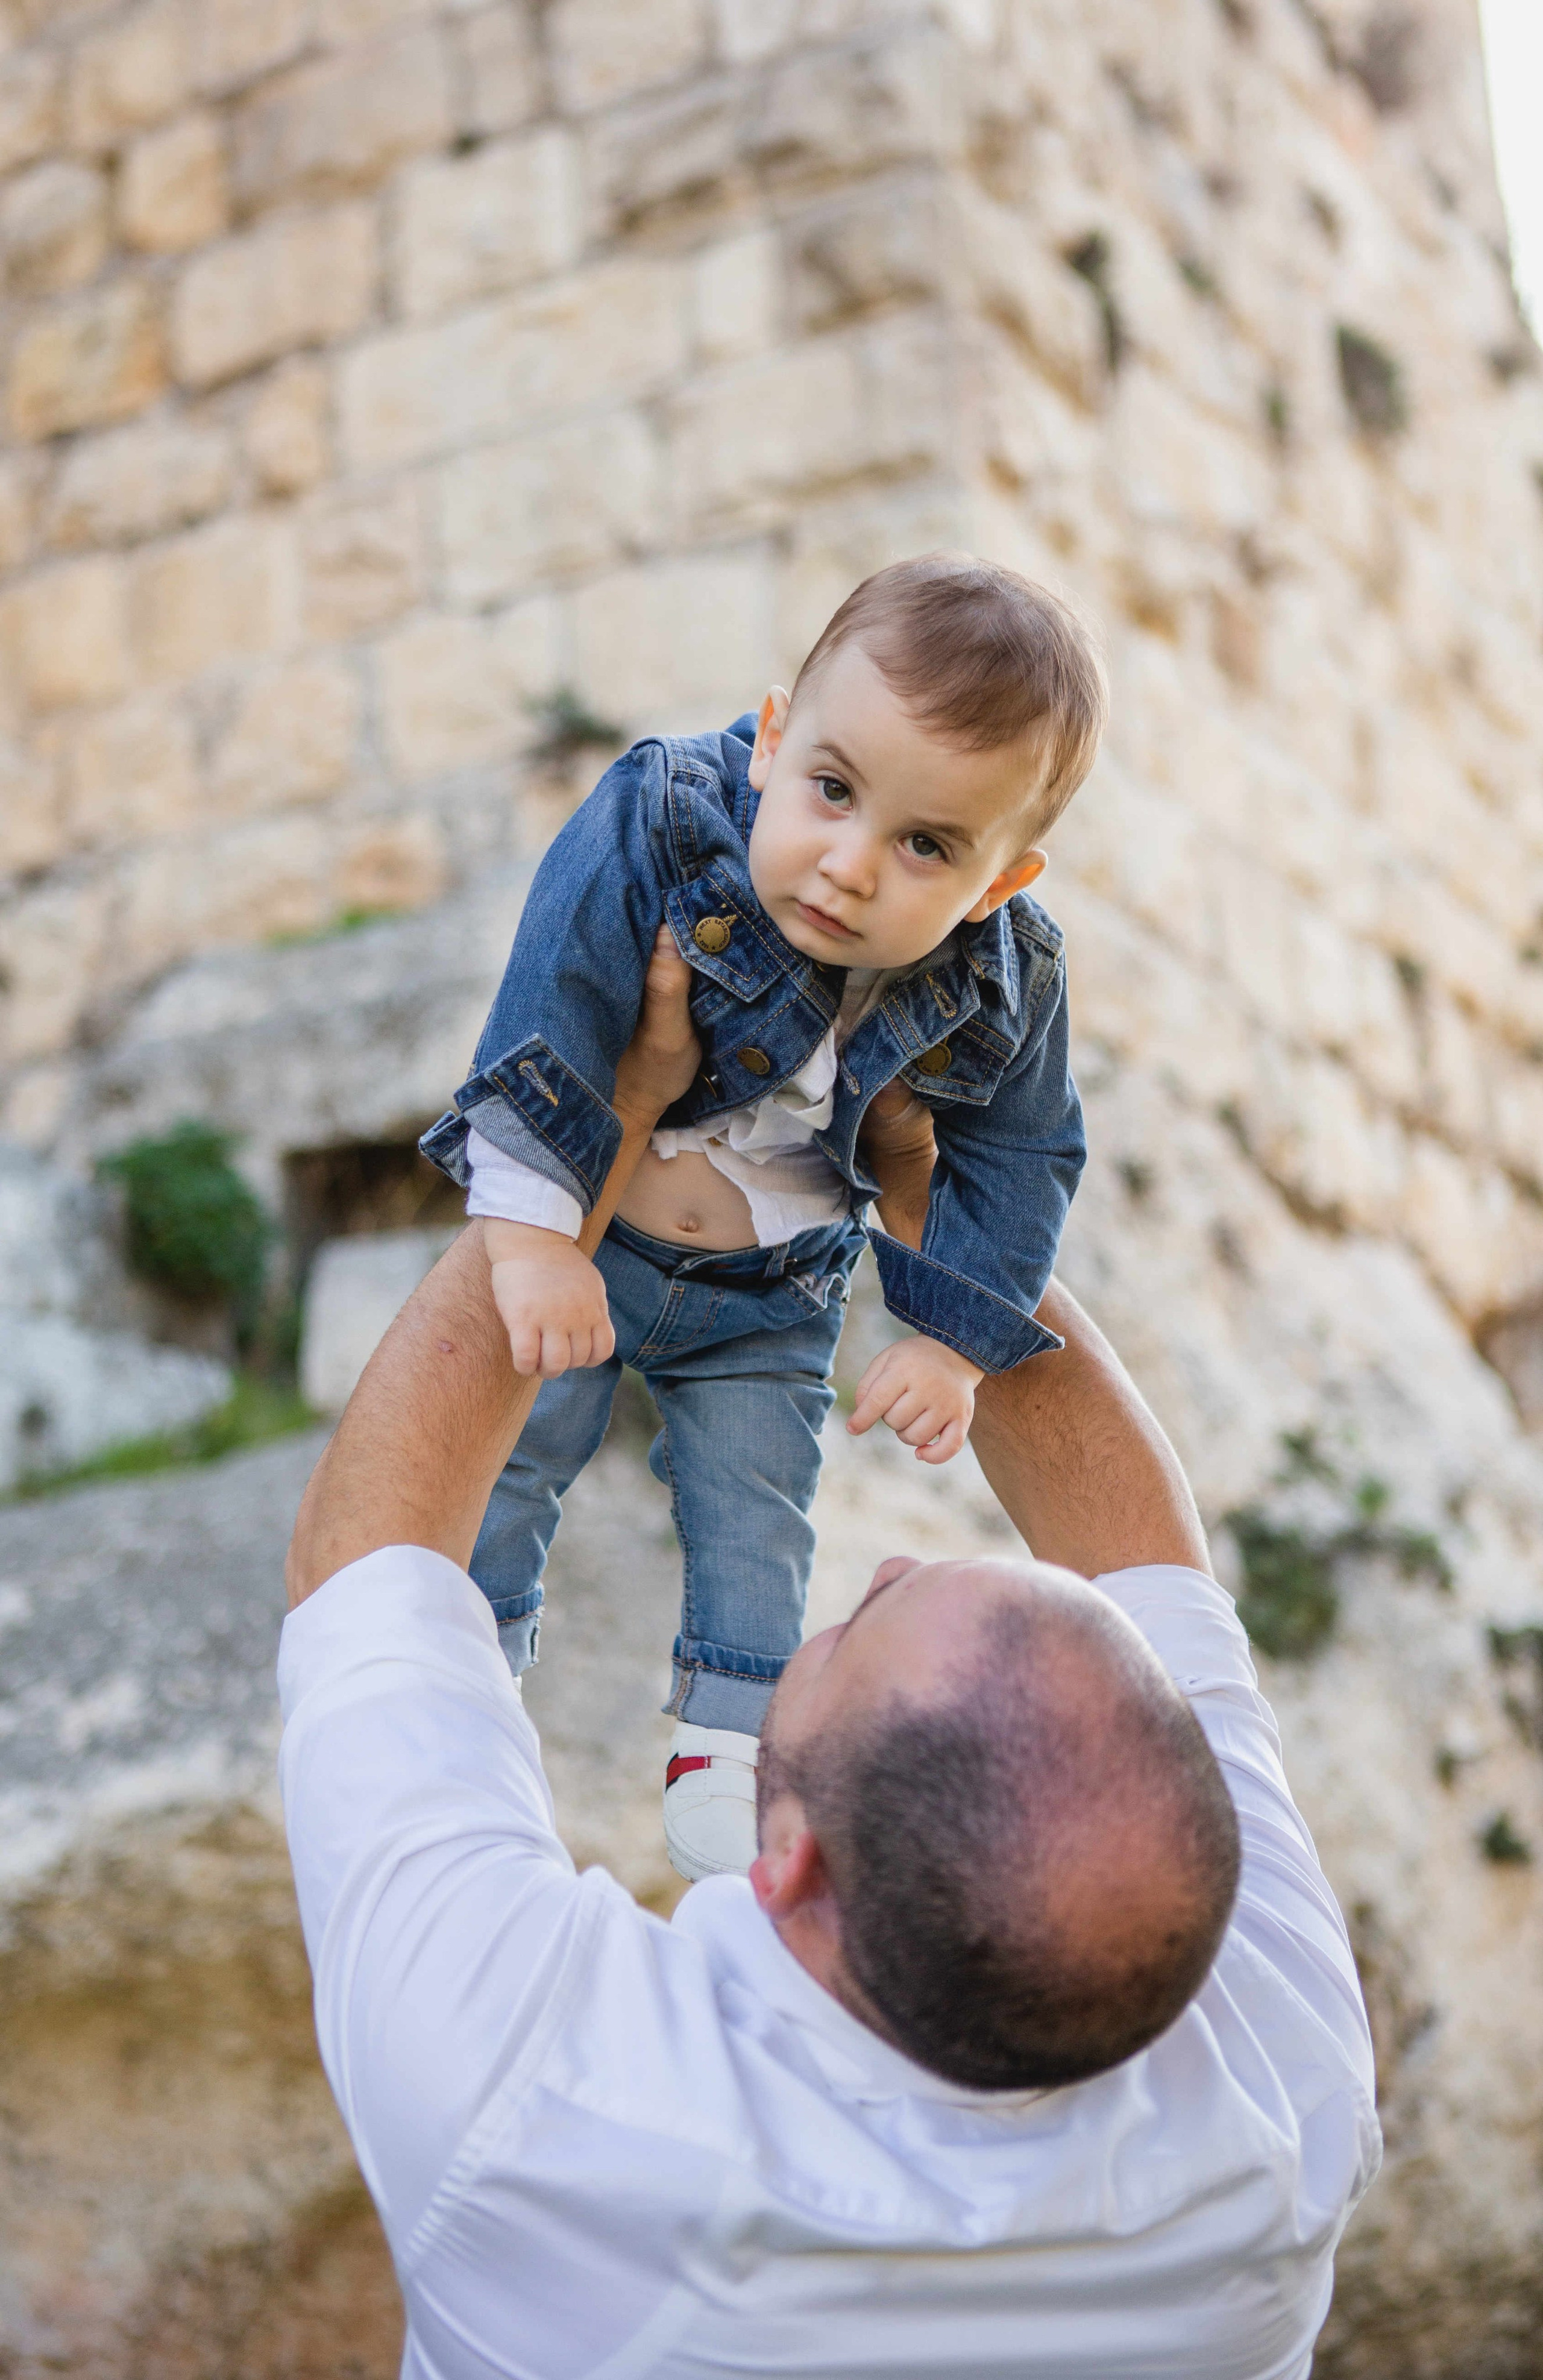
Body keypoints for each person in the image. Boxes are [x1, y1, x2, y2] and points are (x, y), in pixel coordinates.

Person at [281, 940, 1381, 2380]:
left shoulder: (540, 2117)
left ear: (786, 1855)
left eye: (864, 1624)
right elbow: (1142, 1557)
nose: (892, 1565)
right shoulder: (1271, 2120)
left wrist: (589, 1125)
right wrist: (923, 1167)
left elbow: (366, 1562)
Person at [418, 553, 1106, 1878]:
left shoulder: (1008, 977)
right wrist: (530, 1240)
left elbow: (1023, 1157)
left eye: (925, 846)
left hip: (772, 1294)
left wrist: (953, 1338)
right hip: (602, 1241)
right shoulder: (665, 816)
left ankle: (731, 1744)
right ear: (774, 736)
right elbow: (551, 997)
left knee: (759, 1508)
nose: (848, 866)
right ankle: (469, 1669)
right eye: (832, 791)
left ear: (997, 883)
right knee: (511, 1456)